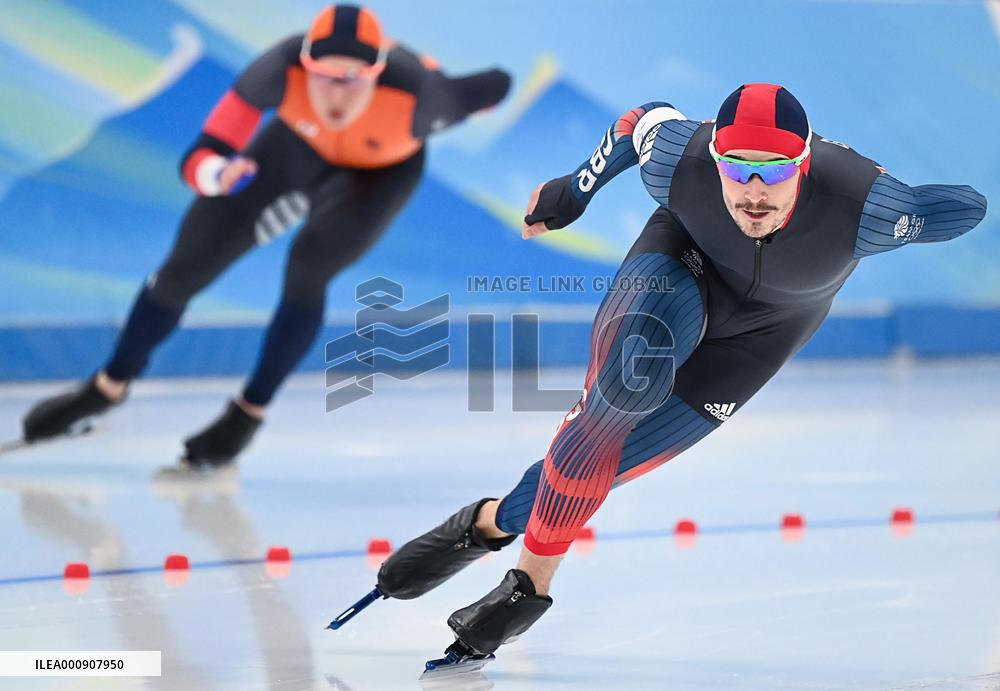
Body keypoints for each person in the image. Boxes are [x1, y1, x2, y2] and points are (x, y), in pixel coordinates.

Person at [365, 83, 988, 666]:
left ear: (802, 165)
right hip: (677, 268)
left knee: (603, 467)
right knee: (621, 395)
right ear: (712, 156)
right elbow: (638, 122)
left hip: (760, 338)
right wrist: (575, 190)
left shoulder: (866, 209)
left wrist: (921, 206)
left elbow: (967, 208)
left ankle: (487, 524)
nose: (752, 191)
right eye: (735, 167)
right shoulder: (676, 155)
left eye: (771, 172)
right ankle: (527, 589)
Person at [21, 4, 511, 467]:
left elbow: (499, 83)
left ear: (377, 73)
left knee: (308, 268)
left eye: (352, 80)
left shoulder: (426, 97)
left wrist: (449, 84)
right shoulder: (276, 68)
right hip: (293, 147)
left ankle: (247, 413)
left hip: (379, 175)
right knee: (182, 268)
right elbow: (201, 153)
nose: (336, 94)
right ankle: (108, 386)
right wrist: (217, 174)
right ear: (303, 65)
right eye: (323, 77)